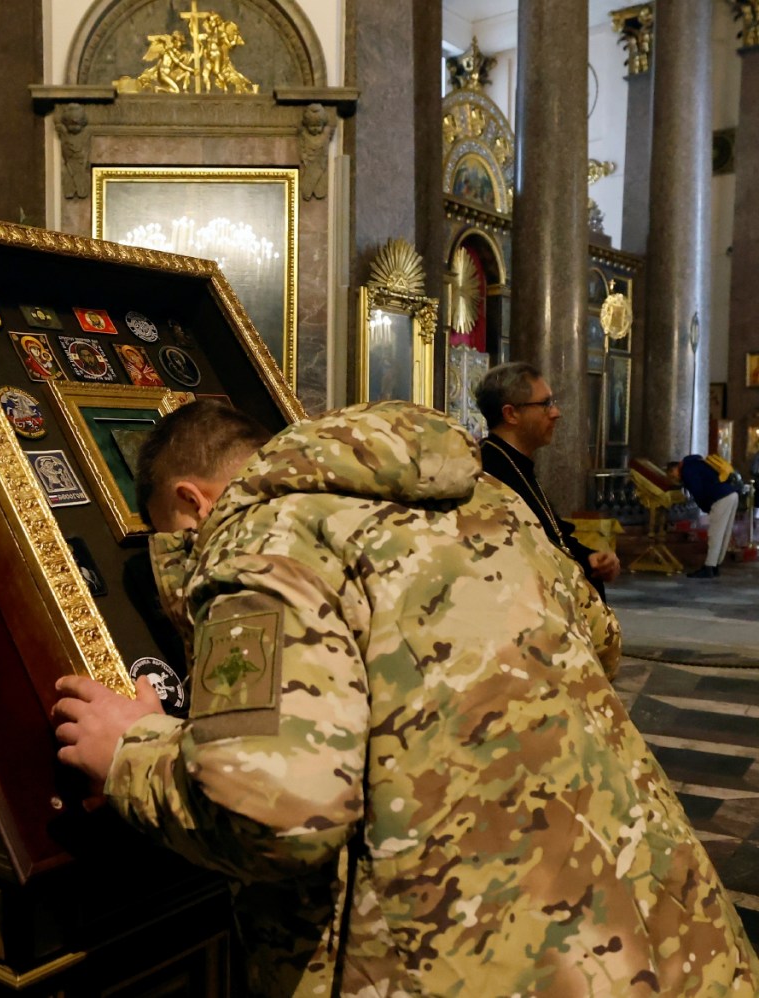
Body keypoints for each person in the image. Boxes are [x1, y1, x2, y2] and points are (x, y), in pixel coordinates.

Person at [52, 398, 758, 997]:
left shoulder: (259, 538)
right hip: (658, 928)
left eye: (177, 540)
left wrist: (130, 750)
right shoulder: (482, 497)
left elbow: (276, 814)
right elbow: (600, 643)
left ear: (190, 503)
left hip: (469, 962)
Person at [475, 361, 620, 599]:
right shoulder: (488, 469)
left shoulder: (518, 463)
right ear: (511, 414)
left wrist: (589, 558)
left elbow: (552, 535)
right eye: (545, 404)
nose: (556, 412)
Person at [667, 454, 741, 578]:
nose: (673, 478)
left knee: (715, 533)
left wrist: (706, 507)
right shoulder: (697, 462)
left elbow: (698, 491)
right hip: (731, 493)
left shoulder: (687, 469)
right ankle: (715, 566)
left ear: (674, 468)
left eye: (671, 475)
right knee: (724, 533)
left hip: (720, 497)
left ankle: (709, 567)